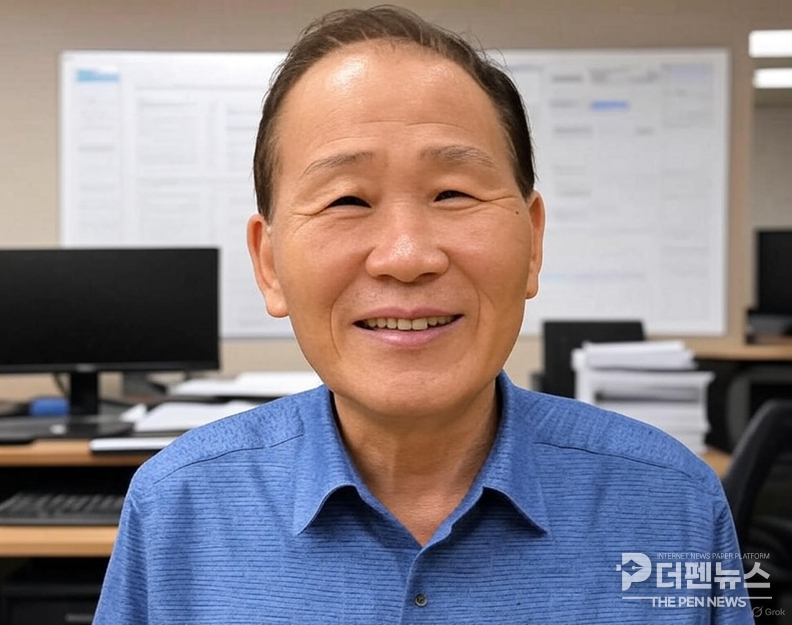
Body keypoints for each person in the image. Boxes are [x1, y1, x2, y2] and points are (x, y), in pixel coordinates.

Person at [95, 7, 753, 624]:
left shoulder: (674, 503)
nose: (406, 256)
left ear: (533, 242)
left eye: (453, 193)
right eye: (347, 200)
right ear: (269, 264)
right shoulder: (176, 507)